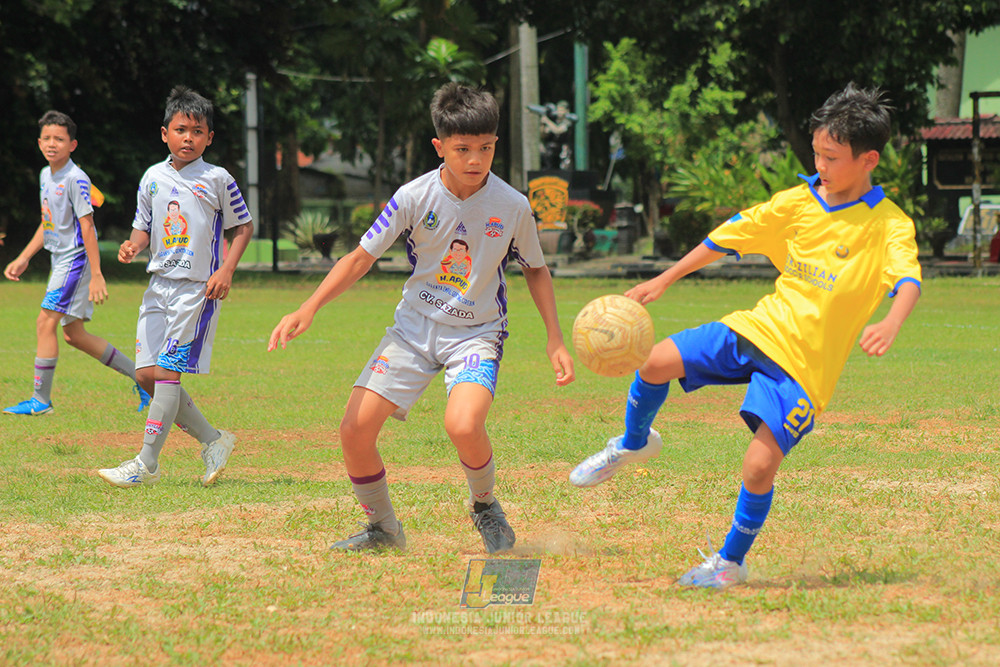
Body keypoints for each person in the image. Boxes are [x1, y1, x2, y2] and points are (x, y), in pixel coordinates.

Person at [569, 83, 922, 589]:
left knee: (758, 468)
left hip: (804, 369)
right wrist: (664, 279)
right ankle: (631, 444)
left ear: (870, 159)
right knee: (653, 362)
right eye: (817, 152)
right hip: (758, 328)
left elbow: (908, 278)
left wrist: (891, 321)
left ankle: (730, 562)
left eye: (832, 156)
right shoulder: (797, 202)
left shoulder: (887, 224)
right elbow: (727, 237)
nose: (821, 164)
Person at [268, 83, 575, 553]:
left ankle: (485, 506)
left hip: (475, 332)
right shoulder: (413, 196)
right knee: (354, 431)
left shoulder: (512, 206)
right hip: (413, 330)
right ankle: (384, 529)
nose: (476, 160)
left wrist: (555, 338)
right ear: (440, 147)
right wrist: (308, 306)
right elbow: (359, 257)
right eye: (463, 149)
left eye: (486, 148)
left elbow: (536, 269)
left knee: (464, 425)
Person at [97, 86, 254, 488]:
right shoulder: (152, 178)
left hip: (196, 290)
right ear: (164, 133)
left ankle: (145, 464)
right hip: (158, 286)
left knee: (167, 373)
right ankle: (213, 440)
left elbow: (244, 226)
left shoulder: (218, 178)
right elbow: (144, 225)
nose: (189, 138)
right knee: (147, 374)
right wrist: (134, 243)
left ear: (210, 138)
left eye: (198, 131)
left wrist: (227, 271)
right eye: (181, 129)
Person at [3, 111, 151, 416]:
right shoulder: (46, 175)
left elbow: (87, 227)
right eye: (46, 138)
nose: (51, 144)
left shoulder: (75, 178)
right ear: (39, 142)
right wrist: (24, 257)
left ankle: (40, 401)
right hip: (61, 259)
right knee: (75, 336)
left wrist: (97, 274)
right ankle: (144, 381)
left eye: (59, 139)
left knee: (45, 322)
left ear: (73, 144)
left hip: (75, 260)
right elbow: (48, 224)